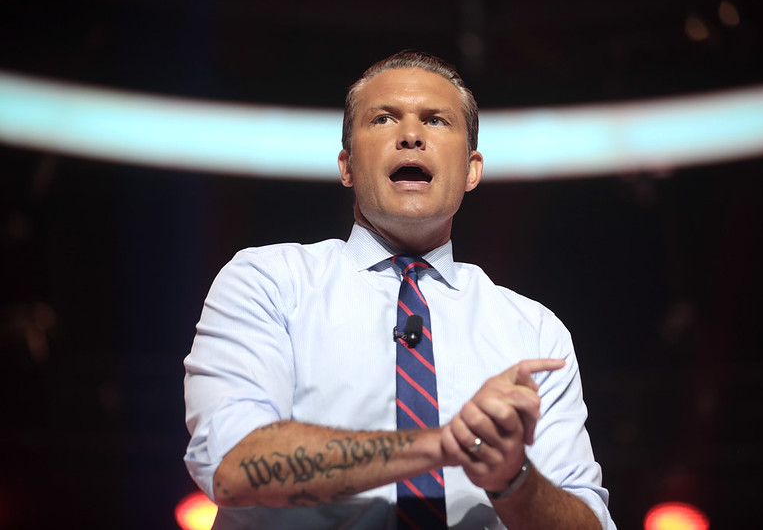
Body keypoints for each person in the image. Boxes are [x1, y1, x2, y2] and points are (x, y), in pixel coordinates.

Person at [184, 50, 616, 529]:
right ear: (347, 166)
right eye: (384, 118)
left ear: (471, 170)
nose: (411, 135)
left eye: (435, 120)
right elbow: (232, 465)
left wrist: (513, 478)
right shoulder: (268, 282)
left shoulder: (534, 333)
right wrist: (445, 444)